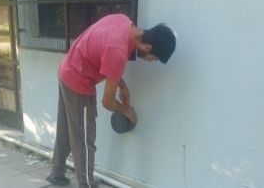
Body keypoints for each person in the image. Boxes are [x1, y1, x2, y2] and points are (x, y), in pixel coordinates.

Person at [46, 14, 176, 187]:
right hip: (77, 82)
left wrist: (119, 83)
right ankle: (86, 184)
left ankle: (57, 172)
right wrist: (125, 109)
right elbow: (107, 102)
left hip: (66, 69)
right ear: (147, 46)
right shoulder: (118, 52)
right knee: (84, 139)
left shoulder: (123, 21)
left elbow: (102, 53)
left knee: (67, 128)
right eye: (154, 58)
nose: (152, 62)